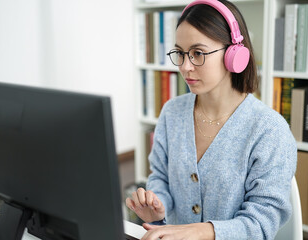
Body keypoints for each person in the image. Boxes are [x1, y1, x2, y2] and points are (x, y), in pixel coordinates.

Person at [126, 0, 297, 239]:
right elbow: (160, 176)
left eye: (198, 53)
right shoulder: (171, 112)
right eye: (180, 53)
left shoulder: (270, 130)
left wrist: (202, 231)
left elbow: (263, 221)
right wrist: (157, 204)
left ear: (234, 54)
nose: (185, 67)